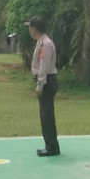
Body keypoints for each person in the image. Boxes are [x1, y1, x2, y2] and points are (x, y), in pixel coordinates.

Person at [28, 16, 59, 157]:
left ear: (34, 29)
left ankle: (52, 146)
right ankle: (49, 144)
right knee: (44, 114)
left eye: (30, 27)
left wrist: (40, 84)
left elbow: (44, 66)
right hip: (45, 80)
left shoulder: (45, 44)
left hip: (47, 81)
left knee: (47, 115)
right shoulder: (41, 43)